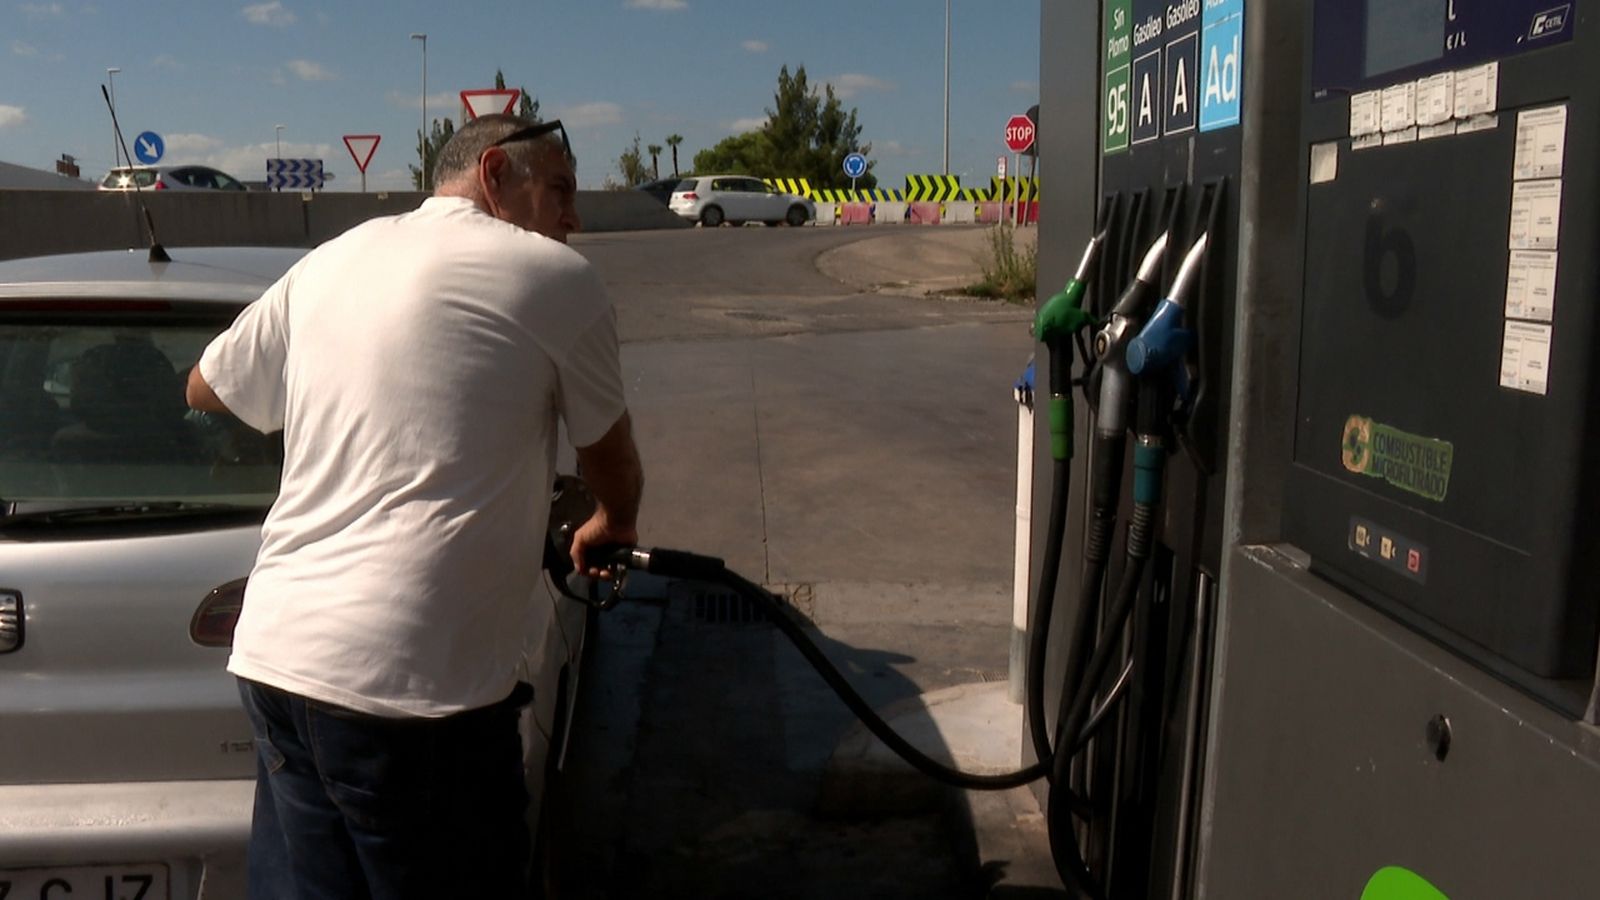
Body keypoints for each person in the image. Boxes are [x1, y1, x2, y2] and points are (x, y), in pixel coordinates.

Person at [185, 113, 643, 899]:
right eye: (561, 189)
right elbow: (610, 458)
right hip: (413, 690)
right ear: (495, 173)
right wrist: (613, 523)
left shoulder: (335, 258)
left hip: (277, 663)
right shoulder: (554, 276)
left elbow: (204, 387)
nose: (573, 216)